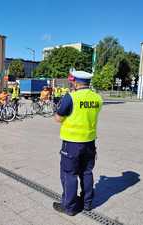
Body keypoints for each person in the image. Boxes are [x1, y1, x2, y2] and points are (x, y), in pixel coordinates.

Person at [53, 71, 103, 216]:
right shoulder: (97, 98)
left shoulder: (71, 97)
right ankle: (87, 203)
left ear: (75, 82)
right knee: (87, 172)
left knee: (69, 174)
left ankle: (69, 207)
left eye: (72, 81)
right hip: (90, 142)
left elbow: (58, 118)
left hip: (72, 143)